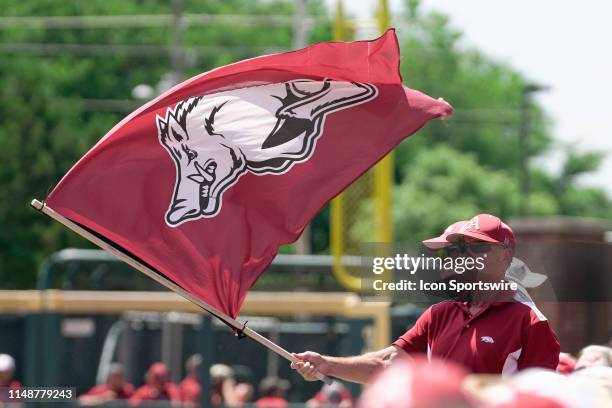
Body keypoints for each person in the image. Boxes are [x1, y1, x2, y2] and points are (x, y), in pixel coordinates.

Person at [291, 214, 560, 383]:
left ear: (506, 257)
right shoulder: (439, 314)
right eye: (454, 250)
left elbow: (539, 398)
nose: (462, 258)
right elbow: (388, 364)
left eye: (476, 248)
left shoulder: (531, 322)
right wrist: (328, 364)